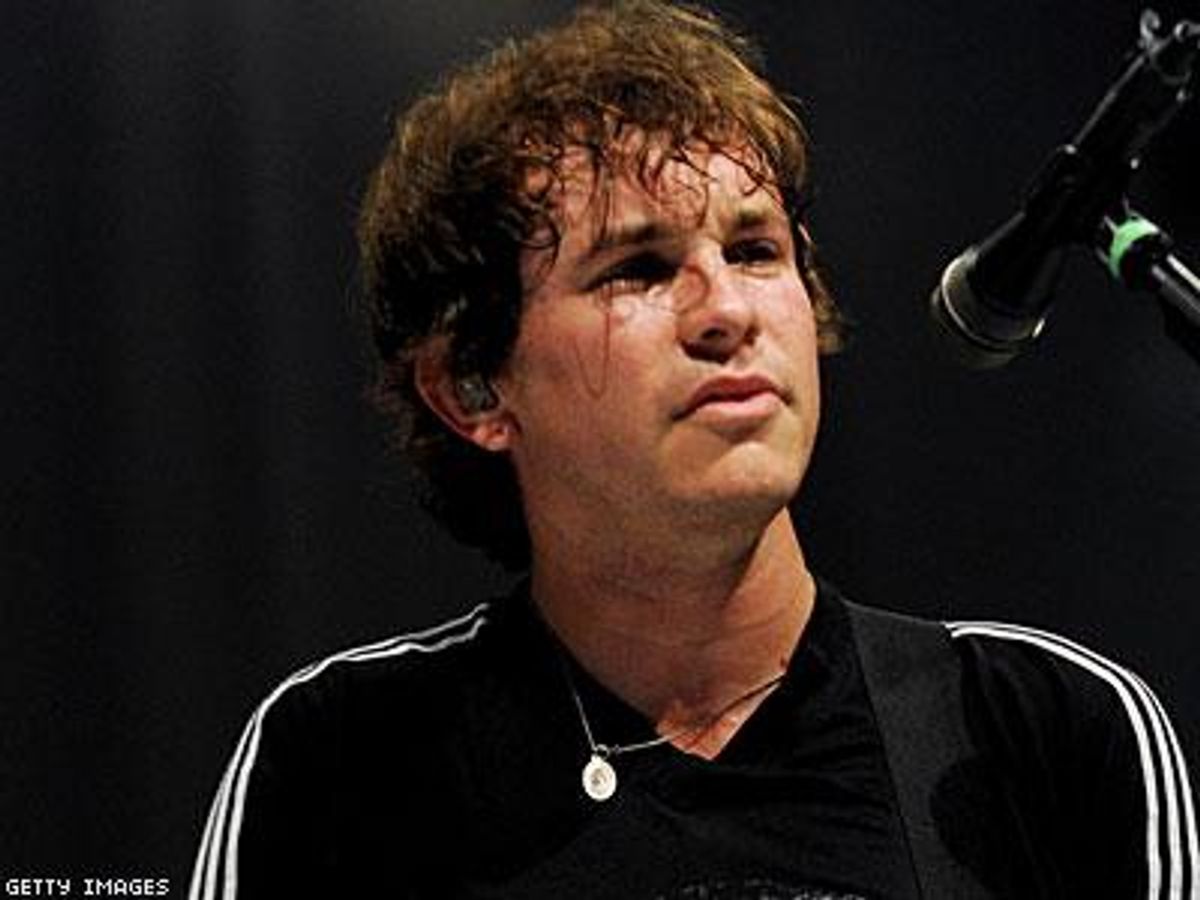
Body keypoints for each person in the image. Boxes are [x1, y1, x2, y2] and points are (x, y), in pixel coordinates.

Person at [189, 2, 1197, 897]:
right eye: (637, 267)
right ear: (473, 387)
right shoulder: (340, 764)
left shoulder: (1044, 733)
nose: (726, 310)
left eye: (756, 251)